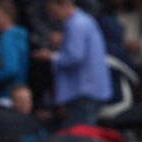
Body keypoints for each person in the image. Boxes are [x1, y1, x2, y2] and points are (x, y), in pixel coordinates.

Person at [33, 0, 111, 128]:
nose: (53, 16)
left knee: (79, 136)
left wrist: (51, 56)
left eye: (53, 11)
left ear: (64, 4)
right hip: (91, 90)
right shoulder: (84, 21)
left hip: (84, 92)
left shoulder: (75, 25)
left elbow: (74, 57)